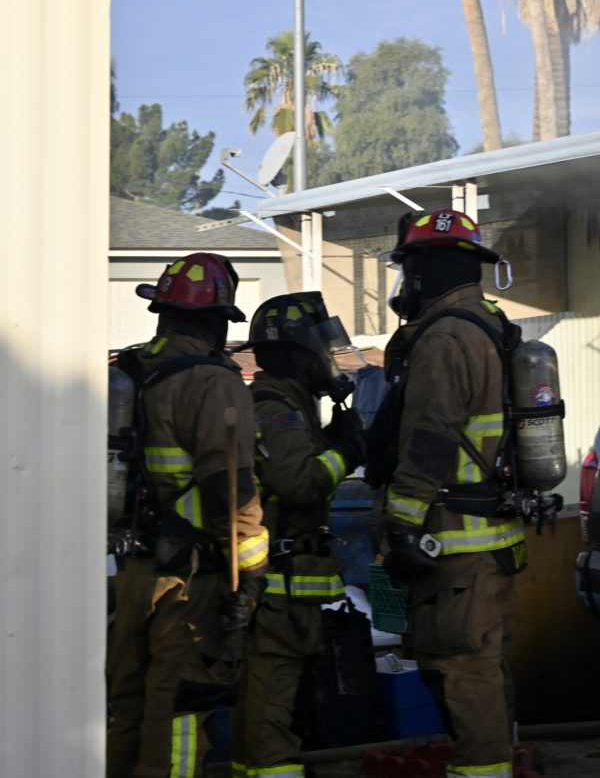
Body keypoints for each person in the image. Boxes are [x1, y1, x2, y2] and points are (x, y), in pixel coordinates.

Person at [107, 252, 269, 778]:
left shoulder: (127, 373)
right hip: (187, 582)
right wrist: (251, 574)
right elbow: (232, 495)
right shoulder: (213, 382)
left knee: (126, 706)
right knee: (178, 704)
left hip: (129, 573)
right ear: (217, 321)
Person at [379, 209, 526, 778]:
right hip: (494, 542)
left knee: (462, 672)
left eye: (407, 270)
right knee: (486, 667)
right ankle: (500, 763)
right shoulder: (494, 326)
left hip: (453, 545)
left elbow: (430, 441)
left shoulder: (443, 338)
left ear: (423, 272)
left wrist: (400, 526)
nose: (404, 284)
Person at [232, 292, 366, 778]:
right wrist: (347, 451)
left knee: (268, 704)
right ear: (294, 353)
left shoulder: (291, 405)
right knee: (272, 708)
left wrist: (334, 440)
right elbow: (299, 483)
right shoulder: (277, 409)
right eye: (319, 349)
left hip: (287, 587)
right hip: (278, 589)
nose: (327, 359)